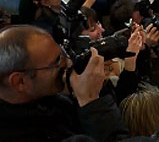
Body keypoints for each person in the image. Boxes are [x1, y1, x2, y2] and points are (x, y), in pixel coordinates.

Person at [0, 25, 130, 141]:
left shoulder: (50, 100)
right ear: (20, 81)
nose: (68, 64)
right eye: (57, 61)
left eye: (63, 54)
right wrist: (91, 102)